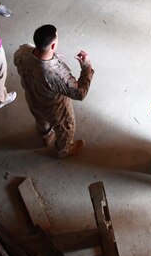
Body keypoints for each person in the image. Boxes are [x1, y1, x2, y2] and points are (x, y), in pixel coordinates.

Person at [13, 24, 93, 158]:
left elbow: (27, 58)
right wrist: (87, 67)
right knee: (66, 129)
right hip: (54, 108)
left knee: (40, 119)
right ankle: (64, 150)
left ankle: (46, 136)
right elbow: (80, 93)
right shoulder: (56, 75)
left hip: (32, 98)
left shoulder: (22, 52)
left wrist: (53, 57)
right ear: (53, 46)